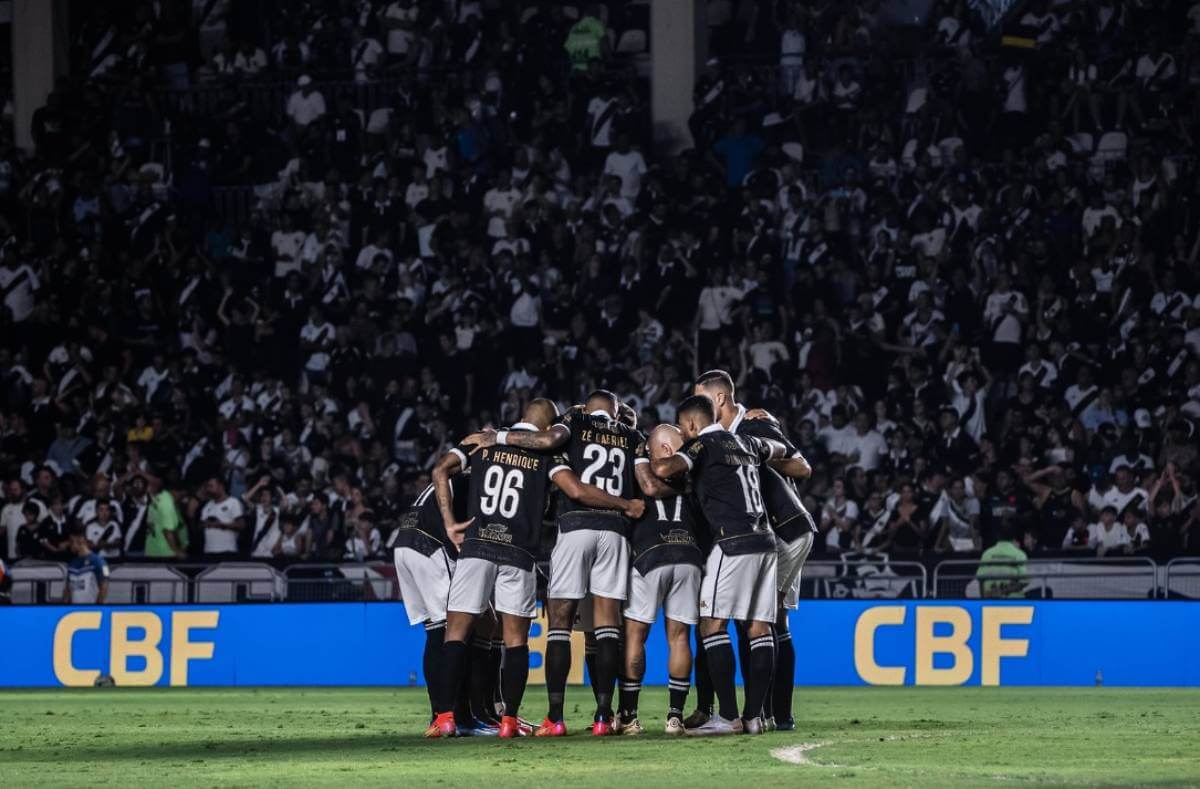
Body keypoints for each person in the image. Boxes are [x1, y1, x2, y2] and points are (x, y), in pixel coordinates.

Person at [428, 399, 643, 740]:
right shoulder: (546, 454)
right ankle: (510, 721)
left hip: (477, 546)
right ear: (548, 426)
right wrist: (625, 504)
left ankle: (445, 718)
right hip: (520, 553)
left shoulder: (482, 441)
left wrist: (450, 523)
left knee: (455, 633)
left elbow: (440, 469)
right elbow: (575, 488)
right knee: (516, 642)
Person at [650, 394, 791, 736]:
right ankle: (755, 717)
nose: (685, 434)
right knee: (760, 628)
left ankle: (727, 716)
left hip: (732, 542)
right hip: (766, 542)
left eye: (685, 428)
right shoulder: (748, 441)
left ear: (693, 424)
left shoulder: (703, 446)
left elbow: (664, 468)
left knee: (711, 626)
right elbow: (782, 450)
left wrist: (651, 458)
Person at [691, 369, 815, 731]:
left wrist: (752, 451)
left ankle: (766, 713)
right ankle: (763, 714)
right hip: (769, 533)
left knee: (759, 618)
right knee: (763, 618)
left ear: (720, 400)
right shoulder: (722, 436)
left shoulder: (753, 427)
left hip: (780, 529)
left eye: (701, 399)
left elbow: (801, 466)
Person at [618, 424, 704, 736]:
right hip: (689, 556)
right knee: (679, 637)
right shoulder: (693, 476)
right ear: (668, 450)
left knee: (635, 635)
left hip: (650, 554)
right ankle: (674, 717)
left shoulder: (638, 475)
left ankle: (628, 717)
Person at [976, 524, 1028, 598]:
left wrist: (983, 600)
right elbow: (1024, 581)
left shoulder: (987, 554)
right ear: (1013, 537)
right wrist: (1003, 592)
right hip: (1015, 603)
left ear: (997, 536)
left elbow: (980, 578)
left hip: (990, 601)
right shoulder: (1019, 554)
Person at [64, 524, 109, 605]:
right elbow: (67, 590)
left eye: (71, 541)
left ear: (81, 540)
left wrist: (97, 609)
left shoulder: (100, 562)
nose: (69, 545)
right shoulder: (71, 564)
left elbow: (104, 589)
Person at [200, 477, 245, 556]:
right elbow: (201, 525)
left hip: (227, 550)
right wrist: (205, 524)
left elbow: (241, 525)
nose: (208, 489)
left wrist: (221, 525)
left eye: (211, 486)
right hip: (208, 551)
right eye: (207, 486)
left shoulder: (233, 502)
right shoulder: (207, 505)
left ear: (221, 486)